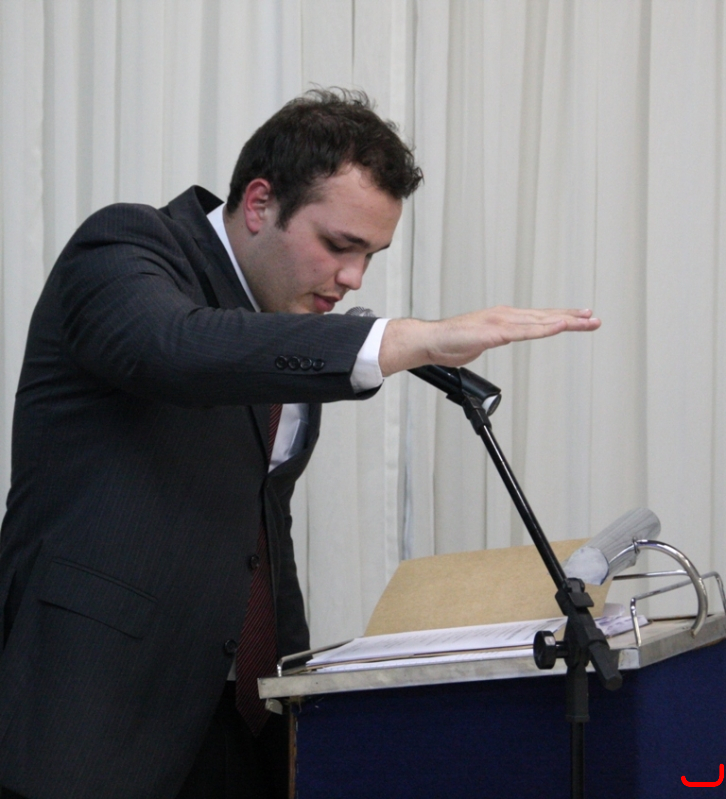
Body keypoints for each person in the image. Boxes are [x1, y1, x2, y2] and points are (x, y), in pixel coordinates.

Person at [0, 89, 599, 799]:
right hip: (92, 716)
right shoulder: (127, 247)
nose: (353, 278)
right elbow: (174, 348)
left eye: (370, 255)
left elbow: (261, 528)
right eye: (339, 246)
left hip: (240, 718)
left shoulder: (288, 321)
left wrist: (298, 689)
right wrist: (406, 338)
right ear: (260, 204)